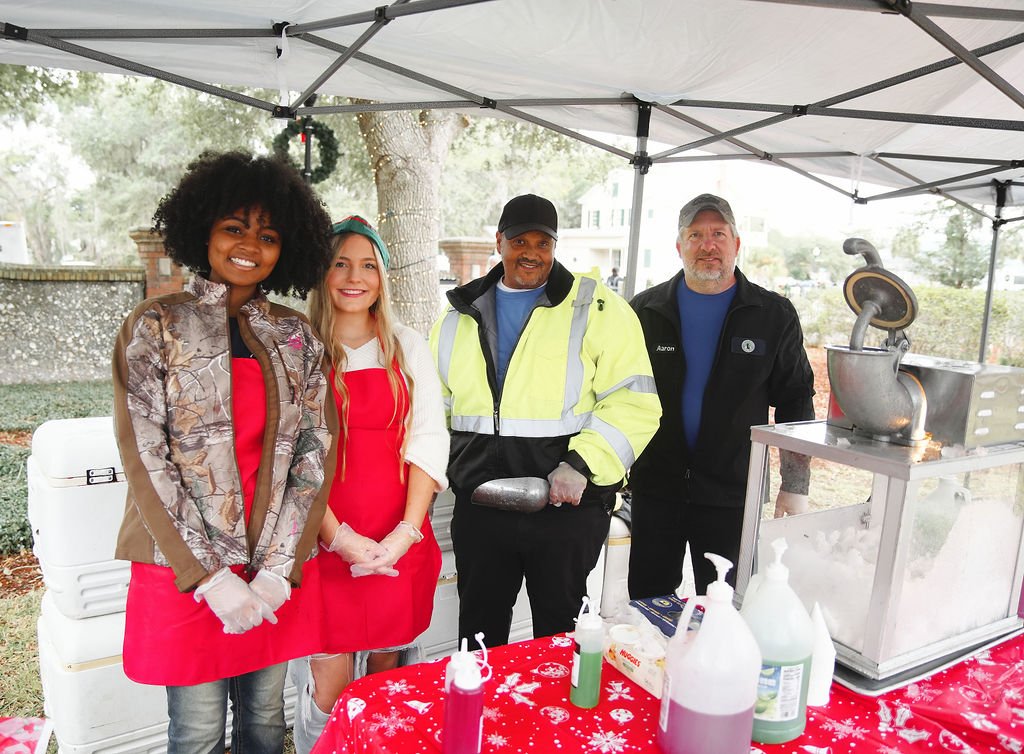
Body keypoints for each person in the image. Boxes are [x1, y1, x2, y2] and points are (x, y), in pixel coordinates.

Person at [112, 150, 337, 754]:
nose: (249, 246)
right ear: (203, 229)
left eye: (267, 235)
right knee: (199, 729)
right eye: (234, 228)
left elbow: (315, 456)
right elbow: (145, 458)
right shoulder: (155, 325)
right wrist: (209, 578)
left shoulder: (296, 336)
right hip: (183, 568)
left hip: (270, 567)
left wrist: (278, 572)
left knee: (265, 720)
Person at [429, 193, 661, 647]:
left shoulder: (597, 309)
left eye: (543, 242)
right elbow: (432, 407)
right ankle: (480, 715)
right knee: (477, 634)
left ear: (555, 247)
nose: (531, 252)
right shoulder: (457, 316)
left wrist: (580, 465)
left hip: (565, 508)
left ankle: (552, 715)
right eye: (519, 240)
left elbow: (635, 403)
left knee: (557, 634)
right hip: (481, 506)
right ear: (499, 242)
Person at [293, 216, 450, 753]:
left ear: (383, 277)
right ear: (322, 273)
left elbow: (428, 440)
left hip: (397, 534)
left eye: (367, 266)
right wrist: (337, 537)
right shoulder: (300, 347)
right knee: (329, 679)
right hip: (322, 538)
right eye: (340, 264)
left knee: (386, 670)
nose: (353, 277)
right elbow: (295, 456)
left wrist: (404, 535)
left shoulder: (406, 345)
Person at [627, 193, 814, 598]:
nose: (707, 245)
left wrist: (795, 484)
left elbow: (796, 400)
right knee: (646, 603)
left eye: (718, 234)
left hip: (734, 490)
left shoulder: (772, 314)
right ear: (680, 246)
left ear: (736, 243)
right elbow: (616, 394)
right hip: (657, 487)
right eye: (696, 235)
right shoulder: (644, 311)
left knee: (727, 605)